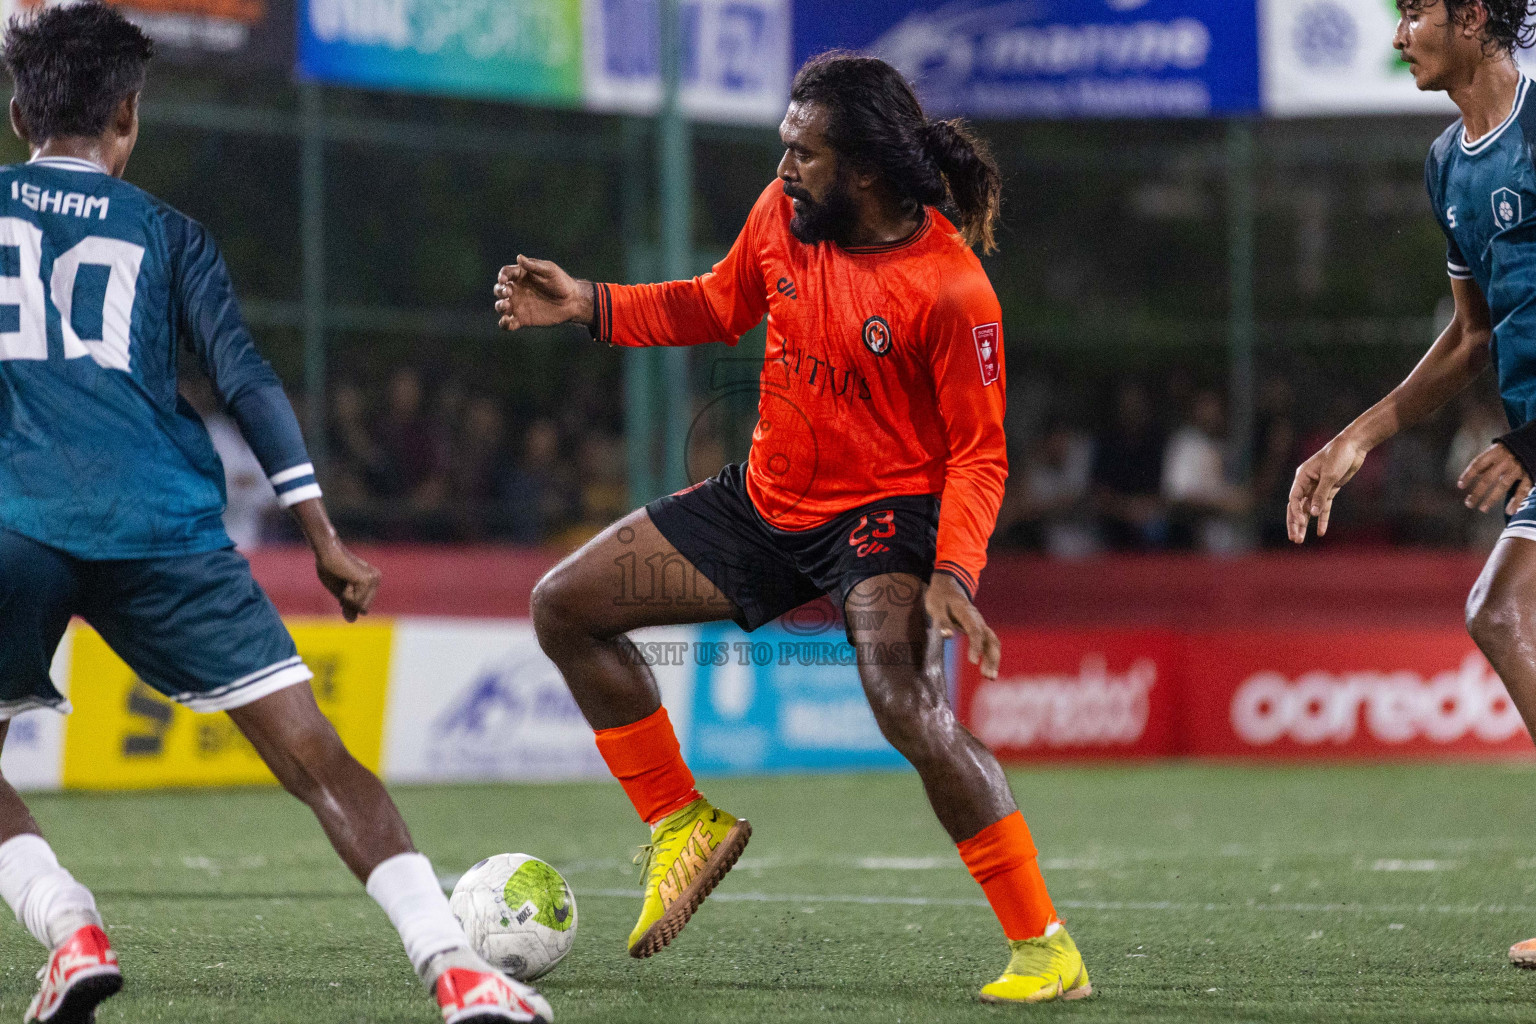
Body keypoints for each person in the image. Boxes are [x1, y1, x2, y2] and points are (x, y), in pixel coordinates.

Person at [495, 52, 1090, 1005]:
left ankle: (1045, 946)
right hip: (768, 499)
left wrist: (955, 572)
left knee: (905, 705)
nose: (782, 170)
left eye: (802, 155)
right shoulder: (783, 216)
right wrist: (589, 304)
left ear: (862, 172)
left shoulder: (951, 288)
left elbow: (979, 455)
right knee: (563, 606)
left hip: (884, 519)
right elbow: (715, 301)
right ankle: (680, 822)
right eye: (783, 148)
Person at [0, 7, 549, 1023]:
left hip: (11, 519)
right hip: (161, 522)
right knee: (317, 757)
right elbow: (245, 380)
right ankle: (458, 969)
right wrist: (322, 535)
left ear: (18, 107)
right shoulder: (170, 235)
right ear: (127, 114)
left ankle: (72, 929)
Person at [1288, 0, 1536, 971]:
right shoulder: (1449, 163)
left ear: (1474, 17)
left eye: (1414, 14)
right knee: (1498, 611)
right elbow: (1473, 336)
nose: (1398, 37)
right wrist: (1359, 437)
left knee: (1500, 609)